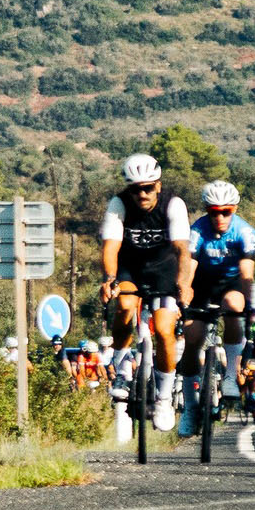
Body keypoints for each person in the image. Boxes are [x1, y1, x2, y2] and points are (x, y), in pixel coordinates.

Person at [99, 153, 194, 436]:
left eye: (148, 188)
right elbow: (111, 247)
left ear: (158, 186)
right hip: (130, 268)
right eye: (136, 189)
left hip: (164, 269)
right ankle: (121, 371)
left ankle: (164, 398)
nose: (142, 194)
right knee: (124, 307)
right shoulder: (118, 204)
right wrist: (110, 279)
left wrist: (184, 283)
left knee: (164, 331)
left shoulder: (173, 205)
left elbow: (182, 250)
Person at [177, 179, 255, 436]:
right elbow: (189, 266)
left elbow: (246, 273)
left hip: (230, 283)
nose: (220, 217)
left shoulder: (244, 231)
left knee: (235, 305)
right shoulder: (198, 230)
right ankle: (190, 408)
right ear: (207, 210)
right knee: (193, 338)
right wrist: (184, 293)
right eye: (214, 212)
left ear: (234, 209)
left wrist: (249, 306)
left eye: (226, 211)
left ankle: (231, 375)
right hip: (202, 284)